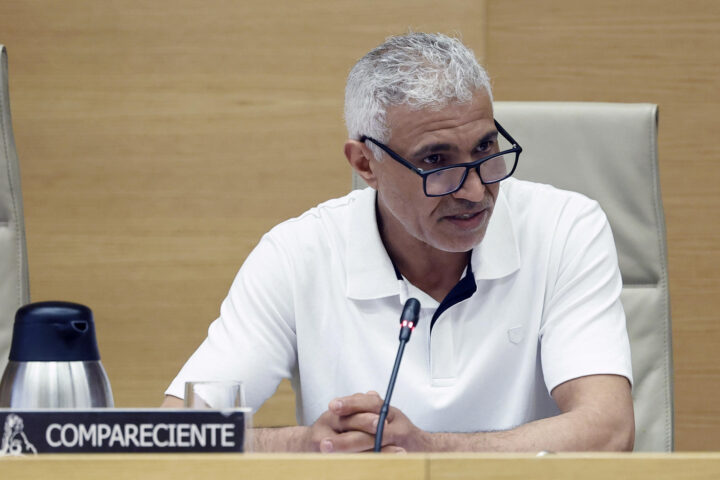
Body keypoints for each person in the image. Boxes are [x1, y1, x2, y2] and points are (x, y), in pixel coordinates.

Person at [163, 32, 634, 453]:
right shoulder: (297, 254)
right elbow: (176, 431)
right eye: (436, 161)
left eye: (485, 149)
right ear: (365, 164)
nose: (475, 191)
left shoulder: (565, 228)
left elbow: (609, 430)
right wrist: (305, 444)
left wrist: (429, 450)